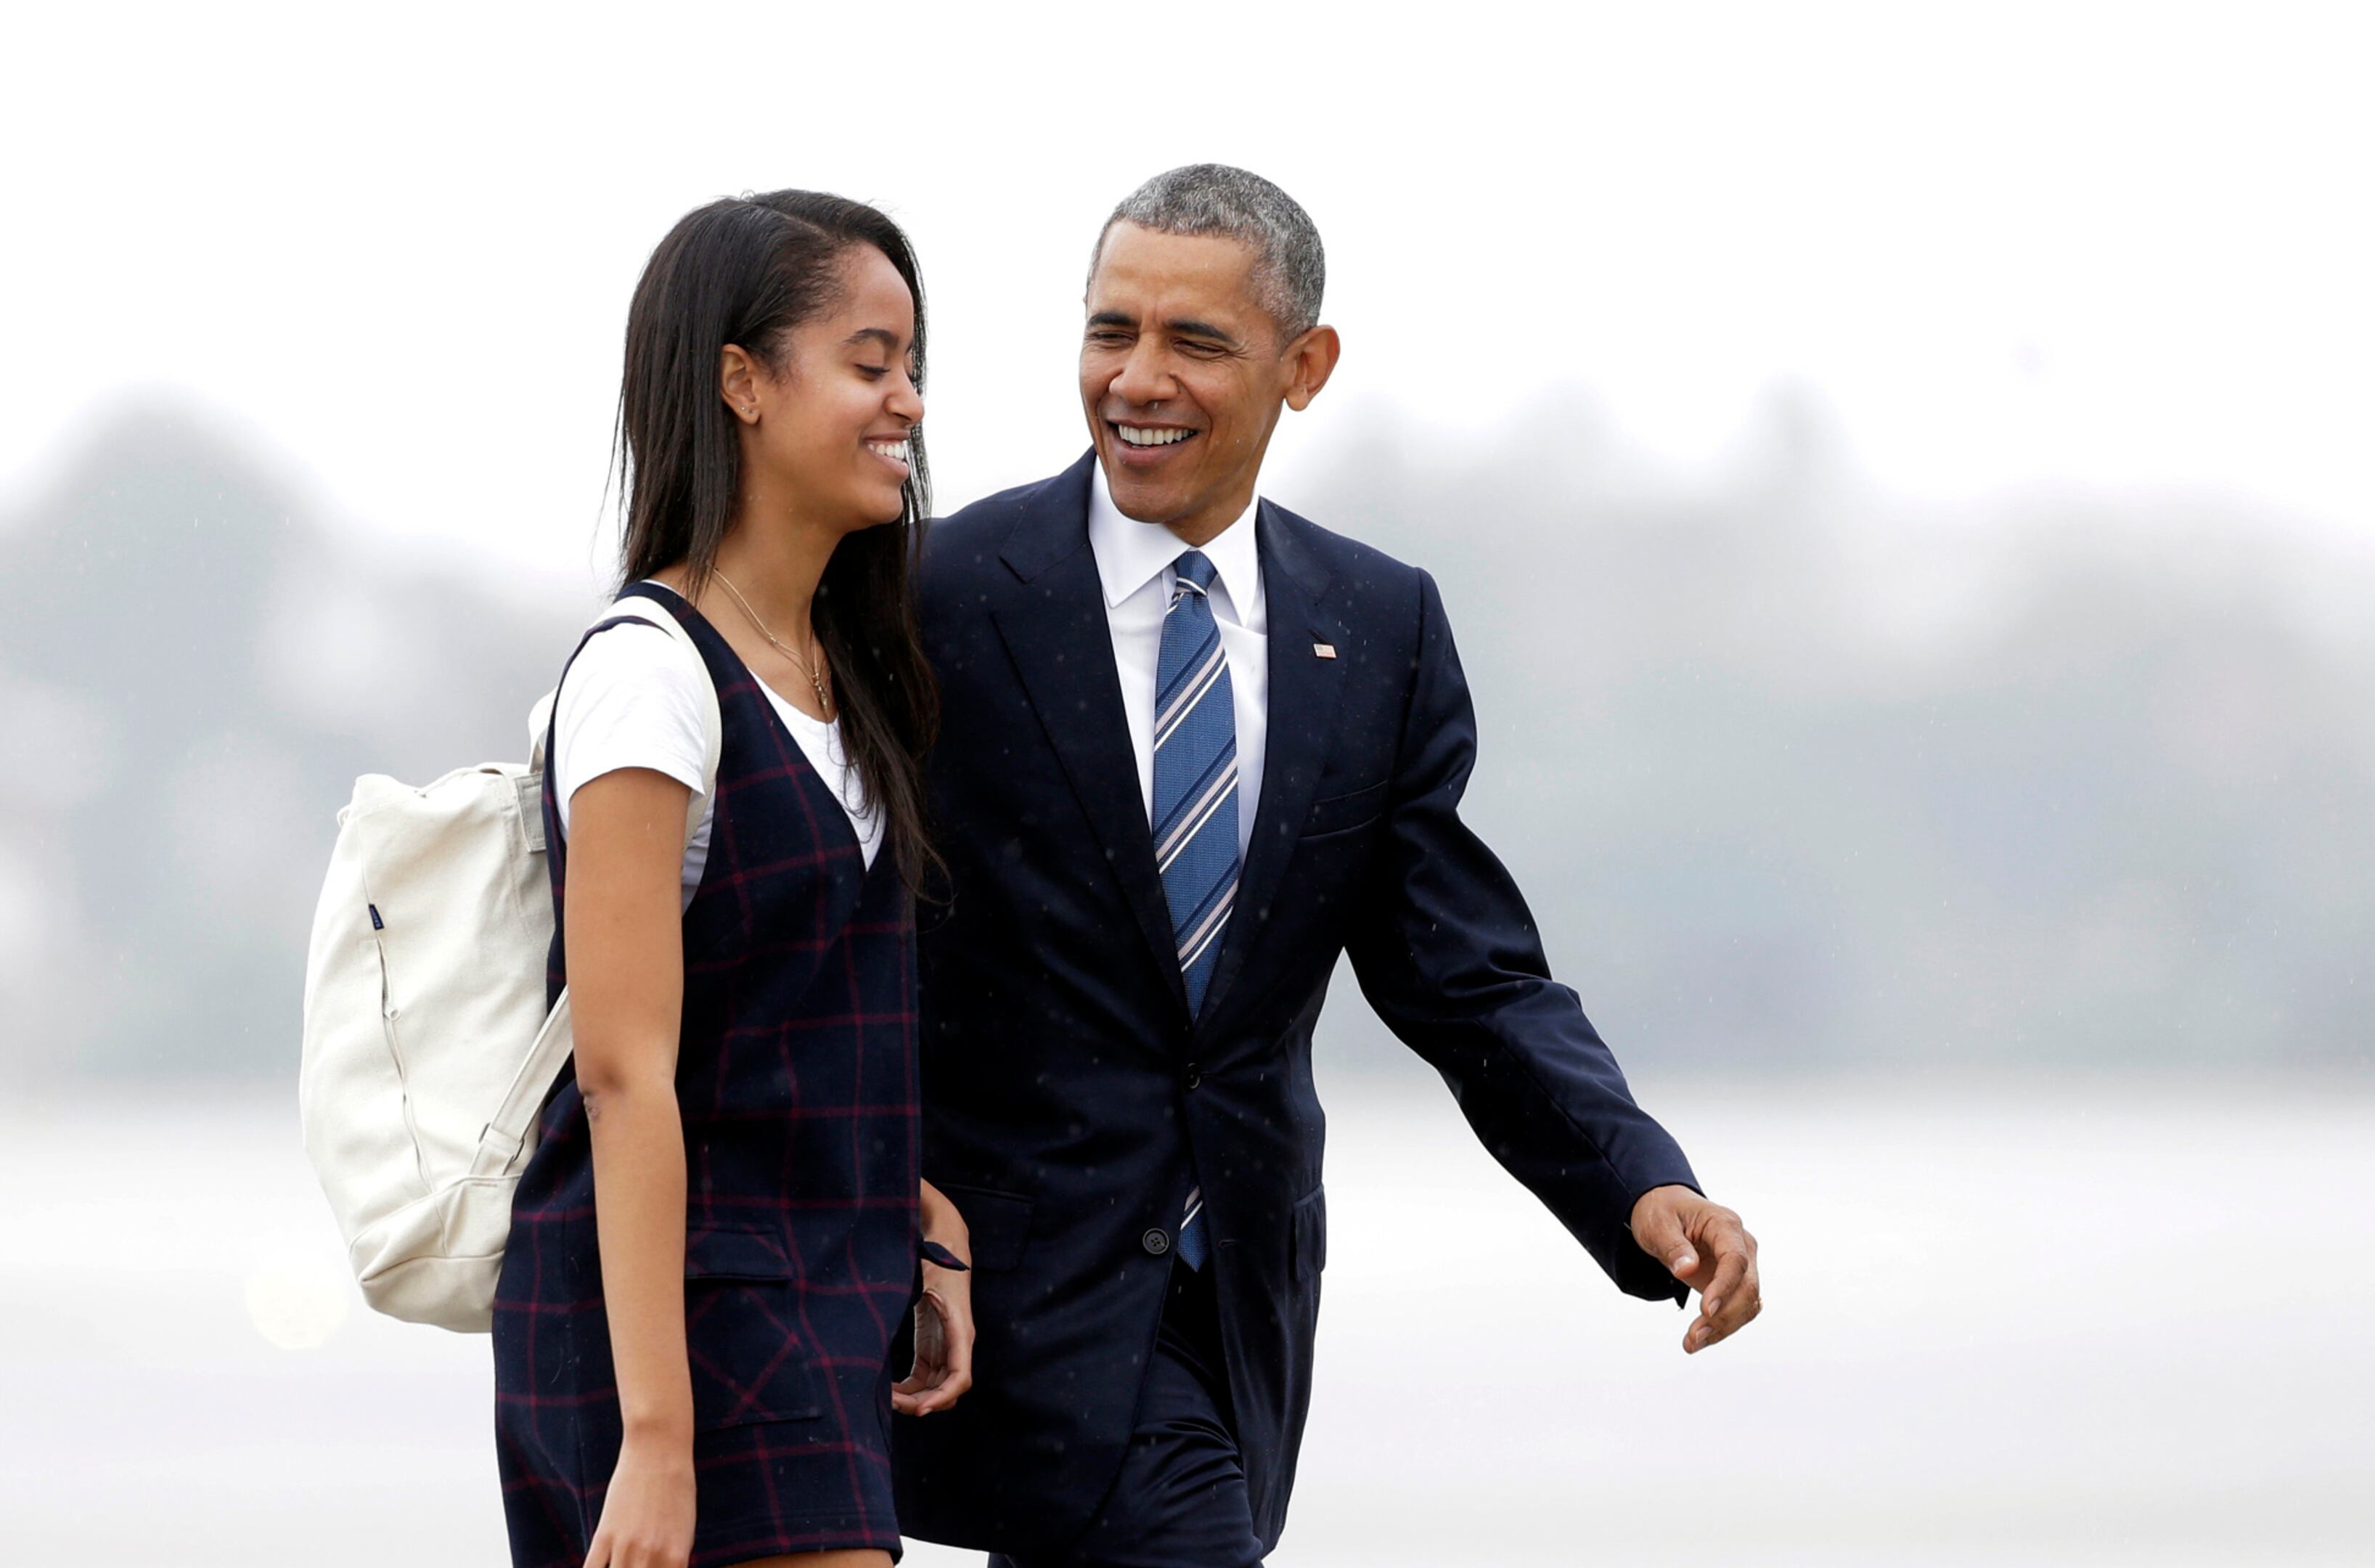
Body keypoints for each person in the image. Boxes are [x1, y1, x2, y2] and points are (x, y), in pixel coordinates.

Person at [892, 165, 1765, 1567]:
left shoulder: (1379, 623)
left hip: (1232, 1298)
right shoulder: (931, 592)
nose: (1137, 379)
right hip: (995, 1292)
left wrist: (1635, 1179)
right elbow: (838, 926)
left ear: (1305, 367)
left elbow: (1464, 974)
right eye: (1111, 331)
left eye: (1195, 342)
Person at [494, 189, 977, 1568]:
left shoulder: (844, 673)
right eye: (870, 363)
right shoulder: (650, 676)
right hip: (679, 1331)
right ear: (743, 383)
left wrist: (898, 1197)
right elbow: (623, 1073)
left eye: (912, 366)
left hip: (815, 1298)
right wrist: (656, 1441)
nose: (910, 405)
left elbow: (789, 1019)